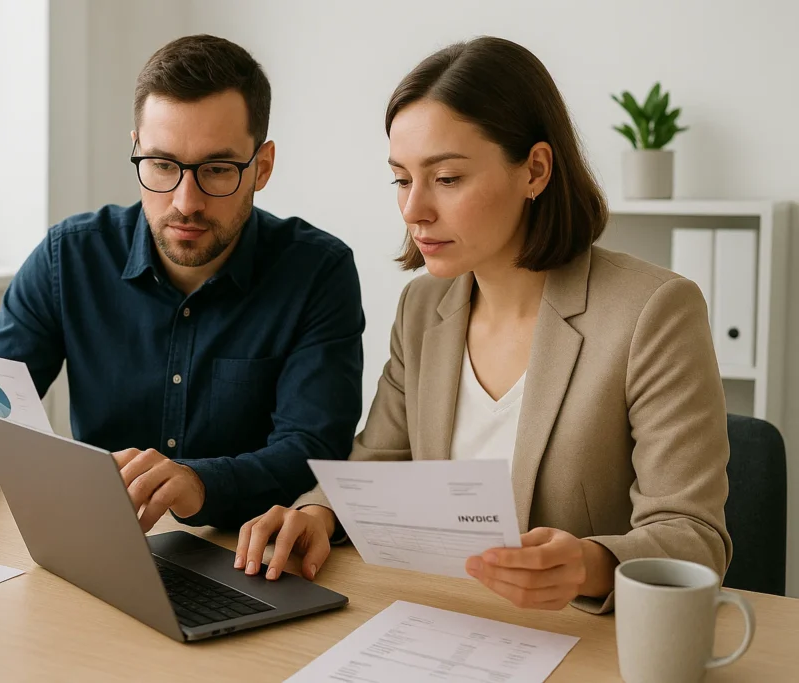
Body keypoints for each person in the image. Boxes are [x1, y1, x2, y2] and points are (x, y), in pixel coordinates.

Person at [236, 36, 731, 613]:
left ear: (536, 171)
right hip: (444, 621)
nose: (414, 209)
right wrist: (316, 514)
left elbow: (694, 538)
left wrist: (590, 565)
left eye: (446, 178)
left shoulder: (654, 312)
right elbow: (378, 465)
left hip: (582, 642)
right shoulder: (424, 307)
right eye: (402, 178)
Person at [0, 35, 365, 533]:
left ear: (262, 166)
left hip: (249, 554)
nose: (185, 201)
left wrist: (200, 483)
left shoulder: (317, 273)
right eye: (162, 165)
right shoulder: (69, 258)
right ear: (136, 150)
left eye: (217, 169)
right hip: (100, 547)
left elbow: (314, 453)